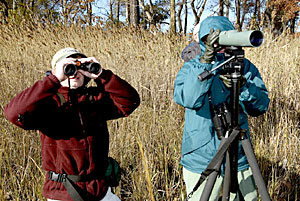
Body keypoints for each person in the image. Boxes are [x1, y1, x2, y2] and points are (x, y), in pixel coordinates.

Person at [4, 48, 140, 201]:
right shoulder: (48, 103)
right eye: (69, 68)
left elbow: (130, 102)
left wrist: (102, 76)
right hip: (62, 191)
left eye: (79, 68)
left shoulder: (94, 99)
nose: (75, 73)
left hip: (100, 190)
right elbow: (14, 114)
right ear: (56, 71)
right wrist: (53, 80)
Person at [173, 16, 270, 201]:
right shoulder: (193, 66)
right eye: (213, 41)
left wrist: (243, 87)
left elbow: (261, 106)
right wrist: (206, 62)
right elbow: (189, 99)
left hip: (239, 155)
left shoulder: (245, 67)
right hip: (202, 158)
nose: (221, 46)